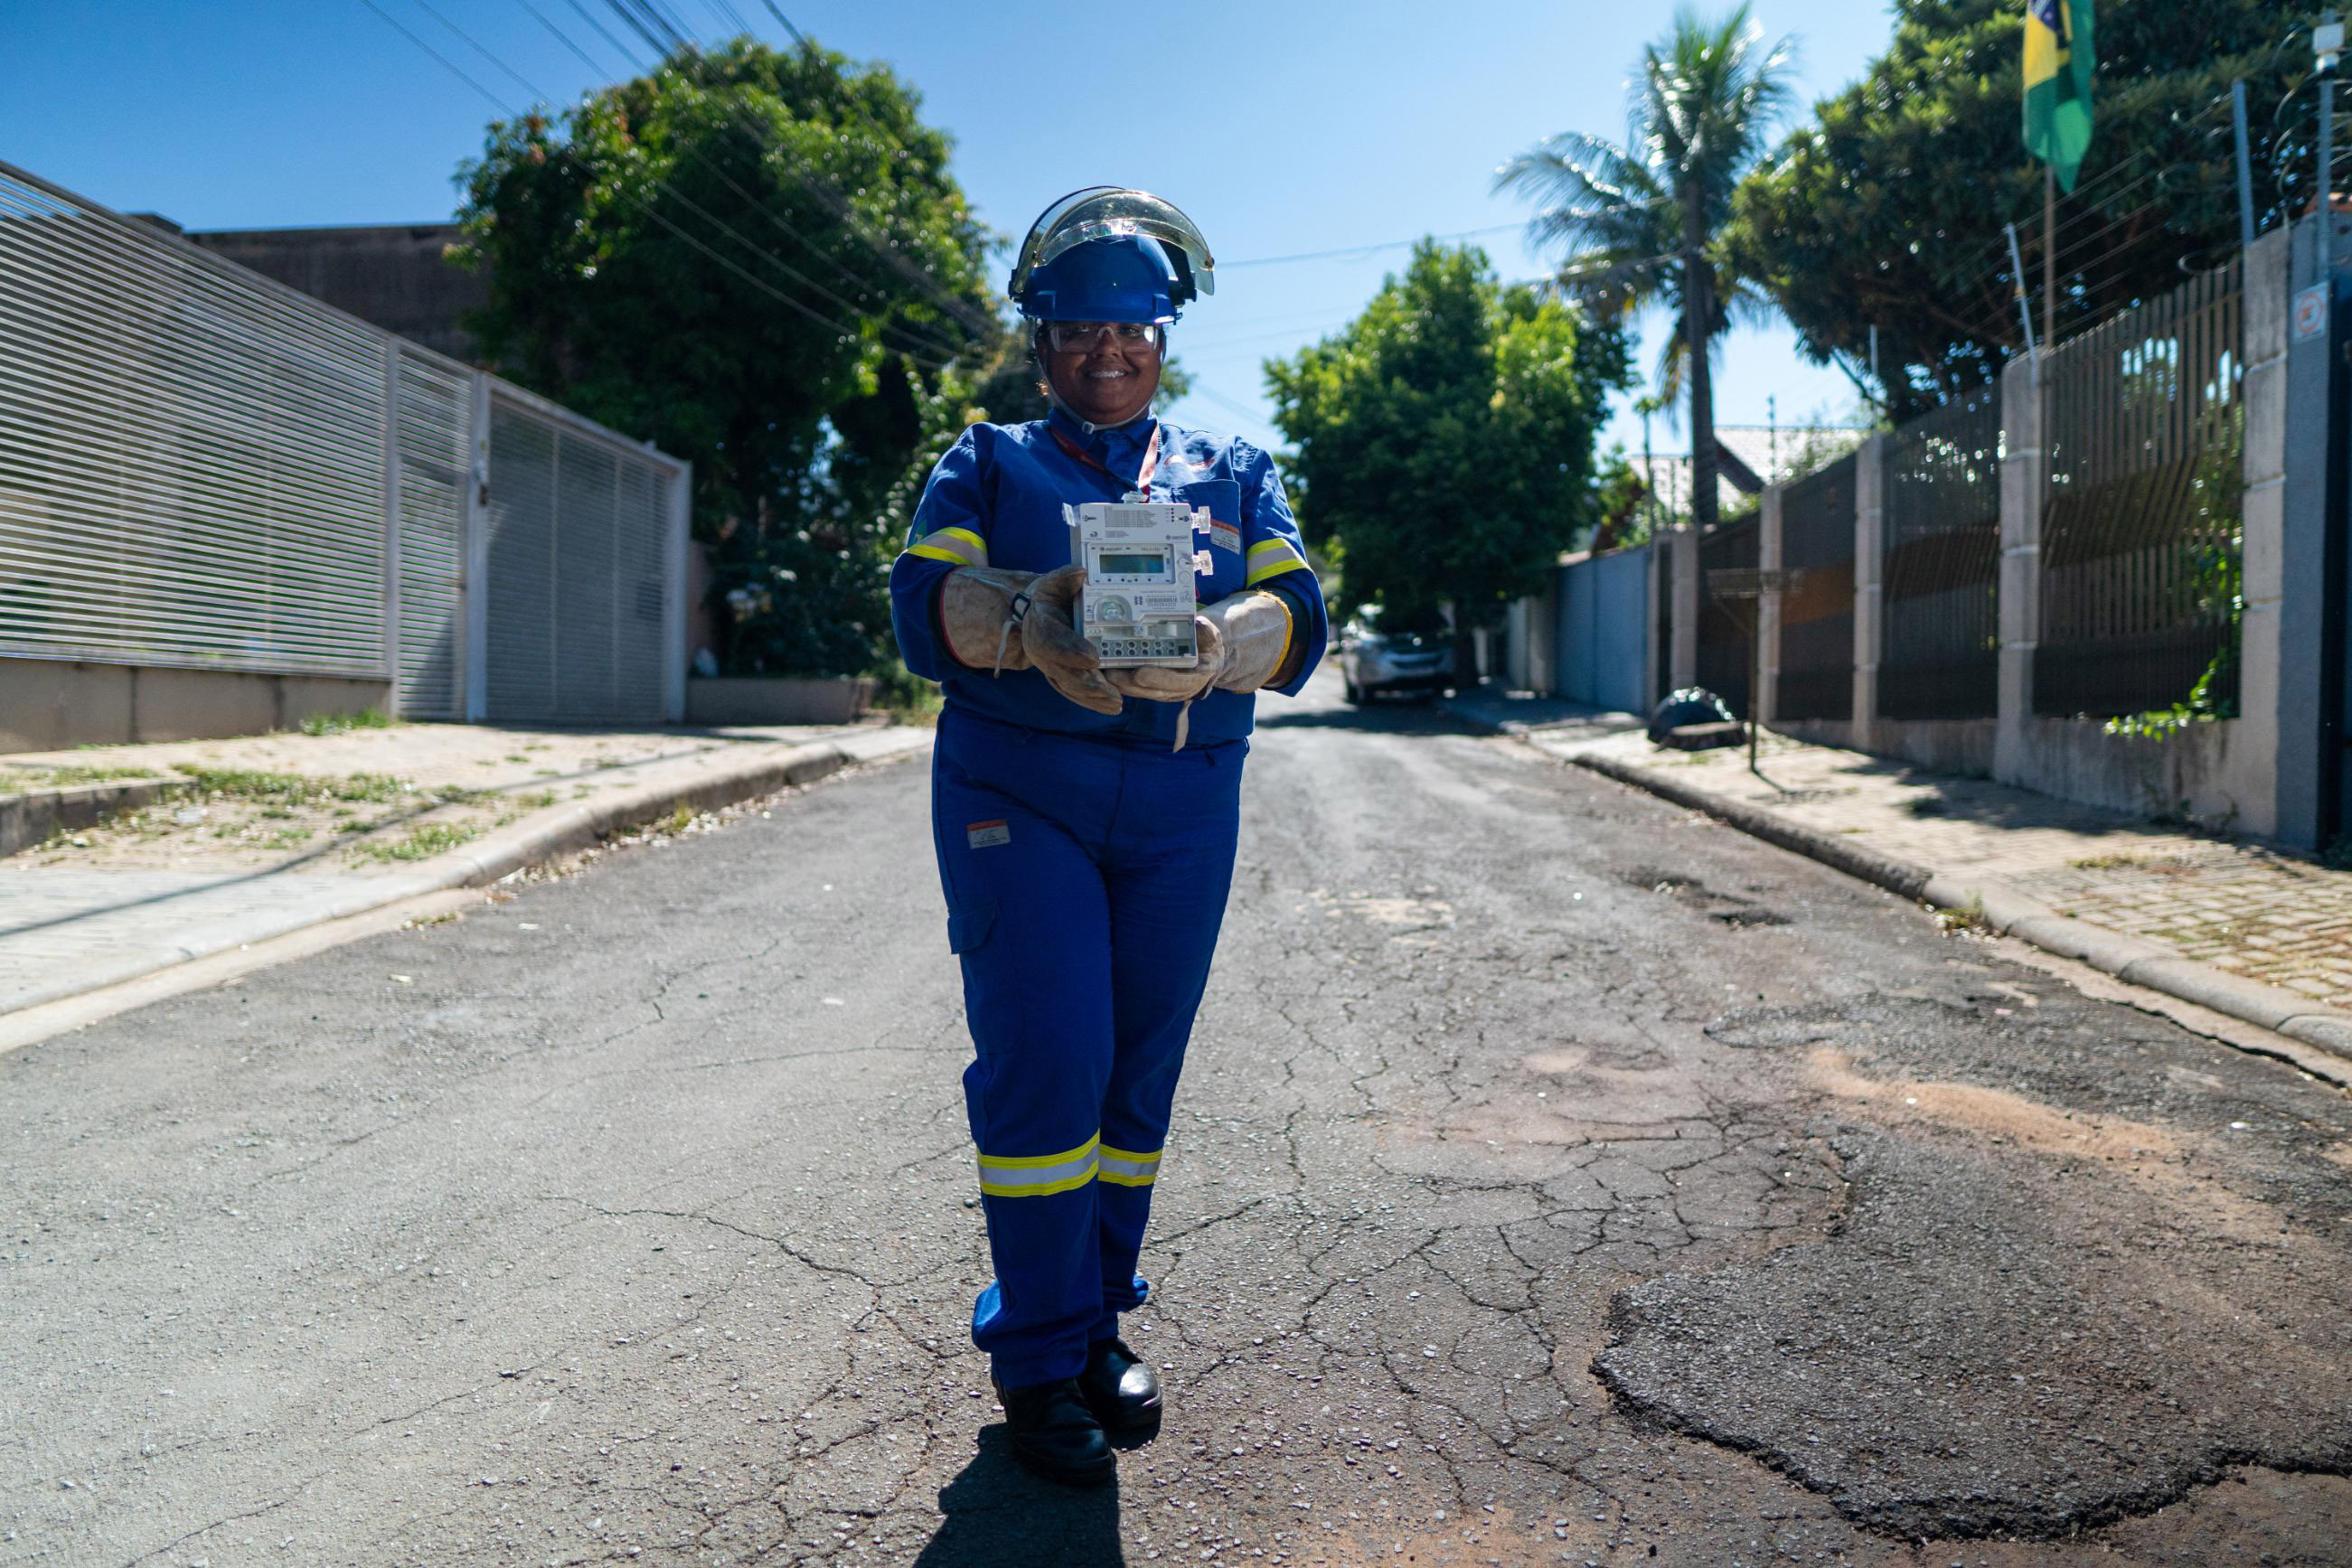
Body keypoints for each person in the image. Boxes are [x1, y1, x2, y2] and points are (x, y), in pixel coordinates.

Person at [889, 187, 1327, 1486]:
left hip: (1185, 804)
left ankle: (1095, 1323)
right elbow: (924, 606)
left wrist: (1222, 645)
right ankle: (1036, 1360)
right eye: (1078, 329)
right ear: (1040, 341)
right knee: (1050, 1061)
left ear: (1164, 338)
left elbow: (1299, 615)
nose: (1108, 351)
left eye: (1132, 329)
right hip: (1019, 794)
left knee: (1137, 1077)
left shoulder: (1230, 470)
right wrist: (1026, 620)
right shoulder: (986, 462)